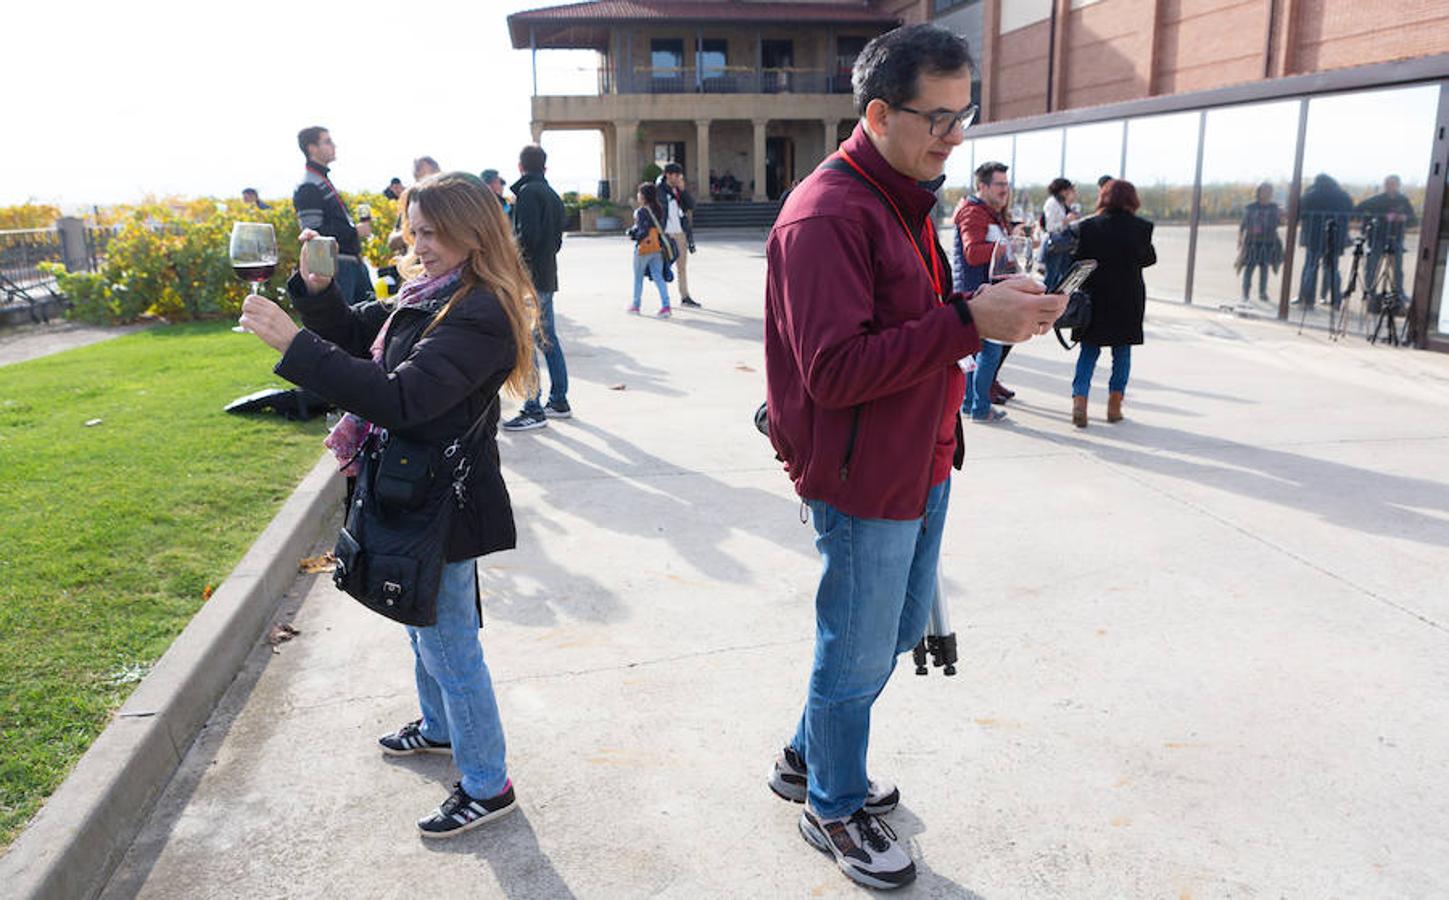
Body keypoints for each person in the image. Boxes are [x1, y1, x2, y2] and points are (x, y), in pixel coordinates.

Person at [763, 23, 1066, 890]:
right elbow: (834, 370)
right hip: (865, 475)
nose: (954, 135)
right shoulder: (828, 214)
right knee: (855, 652)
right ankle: (833, 802)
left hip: (920, 457)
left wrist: (982, 301)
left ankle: (803, 753)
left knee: (887, 636)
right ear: (877, 113)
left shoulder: (901, 195)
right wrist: (970, 323)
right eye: (935, 118)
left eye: (963, 113)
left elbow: (911, 323)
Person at [238, 172, 537, 839]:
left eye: (430, 232)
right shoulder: (429, 292)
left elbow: (401, 398)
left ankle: (488, 785)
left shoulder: (479, 310)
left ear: (471, 232)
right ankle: (437, 729)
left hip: (442, 503)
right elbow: (355, 335)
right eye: (412, 228)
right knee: (416, 618)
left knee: (449, 643)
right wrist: (315, 295)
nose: (416, 242)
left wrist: (292, 345)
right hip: (406, 491)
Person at [1070, 179, 1156, 427]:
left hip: (1094, 297)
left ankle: (1080, 402)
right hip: (1127, 298)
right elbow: (1148, 259)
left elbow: (1078, 259)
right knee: (1122, 352)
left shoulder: (1088, 227)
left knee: (1088, 351)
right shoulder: (1141, 227)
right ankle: (1114, 407)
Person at [502, 145, 570, 432]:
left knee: (528, 342)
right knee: (546, 338)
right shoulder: (552, 194)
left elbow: (524, 238)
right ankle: (558, 400)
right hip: (546, 276)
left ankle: (533, 407)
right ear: (545, 166)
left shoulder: (528, 193)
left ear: (520, 167)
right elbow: (555, 242)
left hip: (528, 279)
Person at [952, 160, 1018, 422]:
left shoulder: (988, 211)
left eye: (1006, 184)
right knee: (989, 352)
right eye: (1000, 184)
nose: (1005, 189)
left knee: (976, 351)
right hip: (977, 293)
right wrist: (1007, 246)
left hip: (982, 292)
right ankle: (980, 408)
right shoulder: (973, 212)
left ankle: (970, 404)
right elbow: (972, 253)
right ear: (983, 186)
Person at [293, 126, 372, 305]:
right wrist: (355, 232)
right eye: (327, 141)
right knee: (344, 327)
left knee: (367, 326)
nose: (334, 146)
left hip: (350, 265)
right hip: (339, 267)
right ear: (312, 148)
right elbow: (313, 233)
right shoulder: (309, 186)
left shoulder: (318, 180)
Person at [1295, 173, 1354, 310]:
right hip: (1335, 237)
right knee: (1333, 270)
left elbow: (1298, 213)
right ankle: (1336, 300)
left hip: (1313, 237)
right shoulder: (1343, 196)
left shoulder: (1310, 195)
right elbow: (1351, 212)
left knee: (1311, 268)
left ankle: (1307, 300)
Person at [1356, 174, 1417, 301]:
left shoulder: (1403, 200)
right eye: (1387, 184)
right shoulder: (1376, 200)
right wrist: (1377, 218)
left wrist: (1404, 218)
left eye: (1393, 184)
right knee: (1372, 266)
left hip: (1396, 238)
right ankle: (1369, 292)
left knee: (1397, 269)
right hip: (1377, 238)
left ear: (1398, 185)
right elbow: (1358, 209)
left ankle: (1398, 293)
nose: (1389, 186)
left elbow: (1413, 220)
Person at [655, 162, 700, 308]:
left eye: (680, 175)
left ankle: (685, 296)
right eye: (676, 175)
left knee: (682, 267)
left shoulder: (678, 191)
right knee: (663, 267)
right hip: (665, 234)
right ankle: (664, 299)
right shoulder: (659, 191)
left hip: (680, 233)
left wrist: (683, 190)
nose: (679, 178)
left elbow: (691, 206)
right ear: (668, 175)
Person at [627, 183, 673, 317]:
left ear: (644, 196)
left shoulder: (642, 211)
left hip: (644, 248)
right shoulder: (659, 209)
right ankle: (666, 306)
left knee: (638, 278)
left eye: (639, 193)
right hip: (657, 248)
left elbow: (643, 231)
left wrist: (632, 235)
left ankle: (636, 305)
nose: (637, 195)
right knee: (658, 277)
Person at [1236, 182, 1283, 304]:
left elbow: (1280, 223)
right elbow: (1243, 225)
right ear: (1259, 192)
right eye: (1265, 191)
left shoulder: (1274, 208)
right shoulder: (1251, 207)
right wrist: (1240, 239)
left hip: (1268, 242)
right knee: (1249, 268)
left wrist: (1282, 216)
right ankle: (1245, 294)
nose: (1268, 194)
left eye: (1270, 191)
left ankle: (1262, 293)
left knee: (1264, 268)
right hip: (1252, 242)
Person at [1041, 176, 1079, 289]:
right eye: (1068, 190)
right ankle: (1045, 301)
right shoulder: (1052, 203)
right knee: (1051, 276)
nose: (1069, 193)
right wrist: (1066, 221)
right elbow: (1050, 226)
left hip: (1061, 244)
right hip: (1055, 244)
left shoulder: (1060, 203)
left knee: (1059, 275)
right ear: (1062, 190)